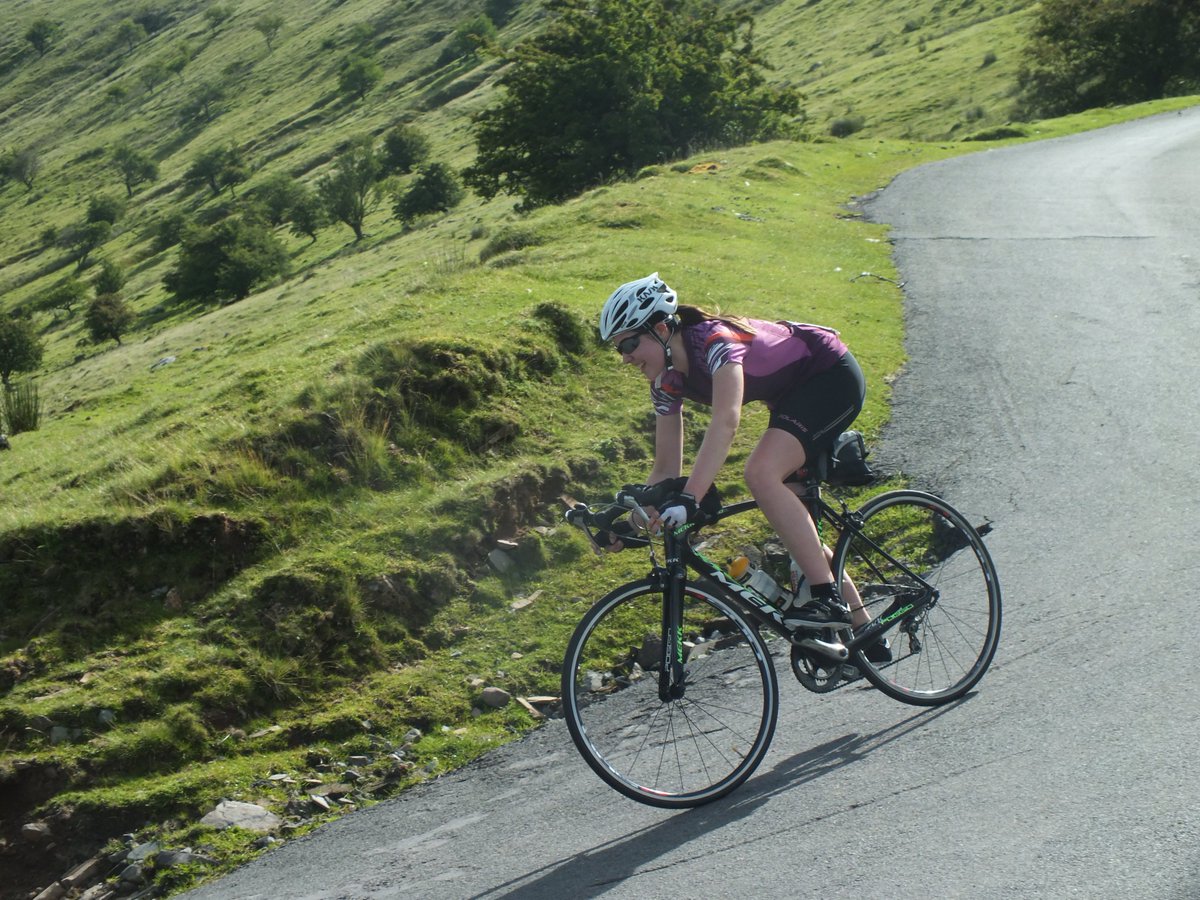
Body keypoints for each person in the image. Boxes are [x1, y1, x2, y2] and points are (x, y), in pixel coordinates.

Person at [599, 272, 889, 660]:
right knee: (797, 529)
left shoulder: (717, 342)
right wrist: (627, 524)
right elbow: (665, 470)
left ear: (663, 327)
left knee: (759, 473)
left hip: (830, 375)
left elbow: (726, 421)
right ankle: (866, 633)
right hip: (791, 399)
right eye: (619, 349)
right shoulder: (666, 382)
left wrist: (690, 498)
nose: (626, 357)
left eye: (630, 343)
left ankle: (827, 601)